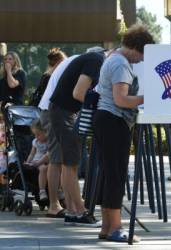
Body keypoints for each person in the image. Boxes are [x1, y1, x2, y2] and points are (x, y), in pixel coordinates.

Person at [93, 24, 154, 242]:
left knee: (108, 174)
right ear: (136, 47)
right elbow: (121, 99)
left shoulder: (113, 58)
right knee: (116, 175)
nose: (142, 59)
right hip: (114, 120)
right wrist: (149, 97)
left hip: (105, 119)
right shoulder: (120, 63)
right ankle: (115, 228)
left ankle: (107, 227)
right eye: (143, 54)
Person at [49, 48, 105, 226]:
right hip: (64, 112)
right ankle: (81, 211)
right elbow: (79, 93)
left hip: (62, 111)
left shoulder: (91, 58)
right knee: (71, 164)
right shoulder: (97, 60)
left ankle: (73, 211)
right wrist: (101, 107)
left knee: (68, 164)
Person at [39, 53, 78, 218]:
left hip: (55, 110)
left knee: (62, 160)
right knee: (56, 159)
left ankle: (68, 204)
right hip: (53, 111)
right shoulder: (83, 64)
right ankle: (54, 205)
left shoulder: (74, 61)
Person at [25, 119, 49, 201]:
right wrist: (28, 162)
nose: (36, 137)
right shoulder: (35, 142)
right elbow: (32, 153)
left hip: (48, 161)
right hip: (37, 161)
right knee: (43, 169)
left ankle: (58, 189)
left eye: (38, 134)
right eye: (35, 134)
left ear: (46, 132)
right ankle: (42, 191)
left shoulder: (50, 141)